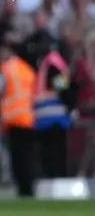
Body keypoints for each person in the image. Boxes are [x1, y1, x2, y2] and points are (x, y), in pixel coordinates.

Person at [0, 41, 36, 197]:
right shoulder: (26, 69)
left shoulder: (6, 69)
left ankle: (22, 190)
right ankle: (29, 188)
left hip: (13, 119)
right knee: (28, 157)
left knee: (18, 159)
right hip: (28, 118)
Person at [33, 47, 72, 178]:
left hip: (42, 116)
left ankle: (49, 178)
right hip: (56, 117)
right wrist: (71, 103)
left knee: (46, 154)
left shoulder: (43, 64)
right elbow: (61, 87)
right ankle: (58, 178)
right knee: (57, 154)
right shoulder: (55, 63)